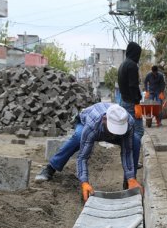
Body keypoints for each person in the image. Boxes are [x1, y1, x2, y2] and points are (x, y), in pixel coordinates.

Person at [34, 103, 142, 201]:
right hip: (86, 123)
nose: (115, 134)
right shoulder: (92, 124)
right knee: (78, 137)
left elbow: (127, 152)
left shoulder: (129, 122)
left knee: (135, 141)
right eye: (114, 130)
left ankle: (129, 183)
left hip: (107, 128)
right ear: (105, 120)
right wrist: (84, 182)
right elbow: (83, 157)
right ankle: (51, 168)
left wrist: (130, 177)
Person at [117, 41, 144, 170]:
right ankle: (133, 162)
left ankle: (127, 160)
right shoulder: (132, 65)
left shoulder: (123, 65)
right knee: (138, 132)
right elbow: (133, 86)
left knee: (127, 133)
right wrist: (137, 103)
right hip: (131, 103)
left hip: (123, 101)